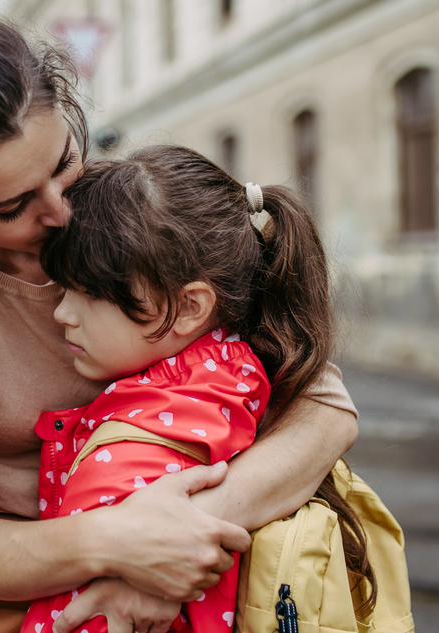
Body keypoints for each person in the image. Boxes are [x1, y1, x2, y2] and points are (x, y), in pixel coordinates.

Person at [0, 11, 359, 633]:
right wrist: (114, 548)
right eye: (13, 207)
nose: (60, 212)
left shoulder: (130, 216)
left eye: (63, 161)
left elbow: (322, 406)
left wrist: (181, 546)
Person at [21, 146, 374, 633]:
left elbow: (98, 614)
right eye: (64, 289)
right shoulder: (238, 372)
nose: (63, 313)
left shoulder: (147, 431)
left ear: (190, 307)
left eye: (93, 293)